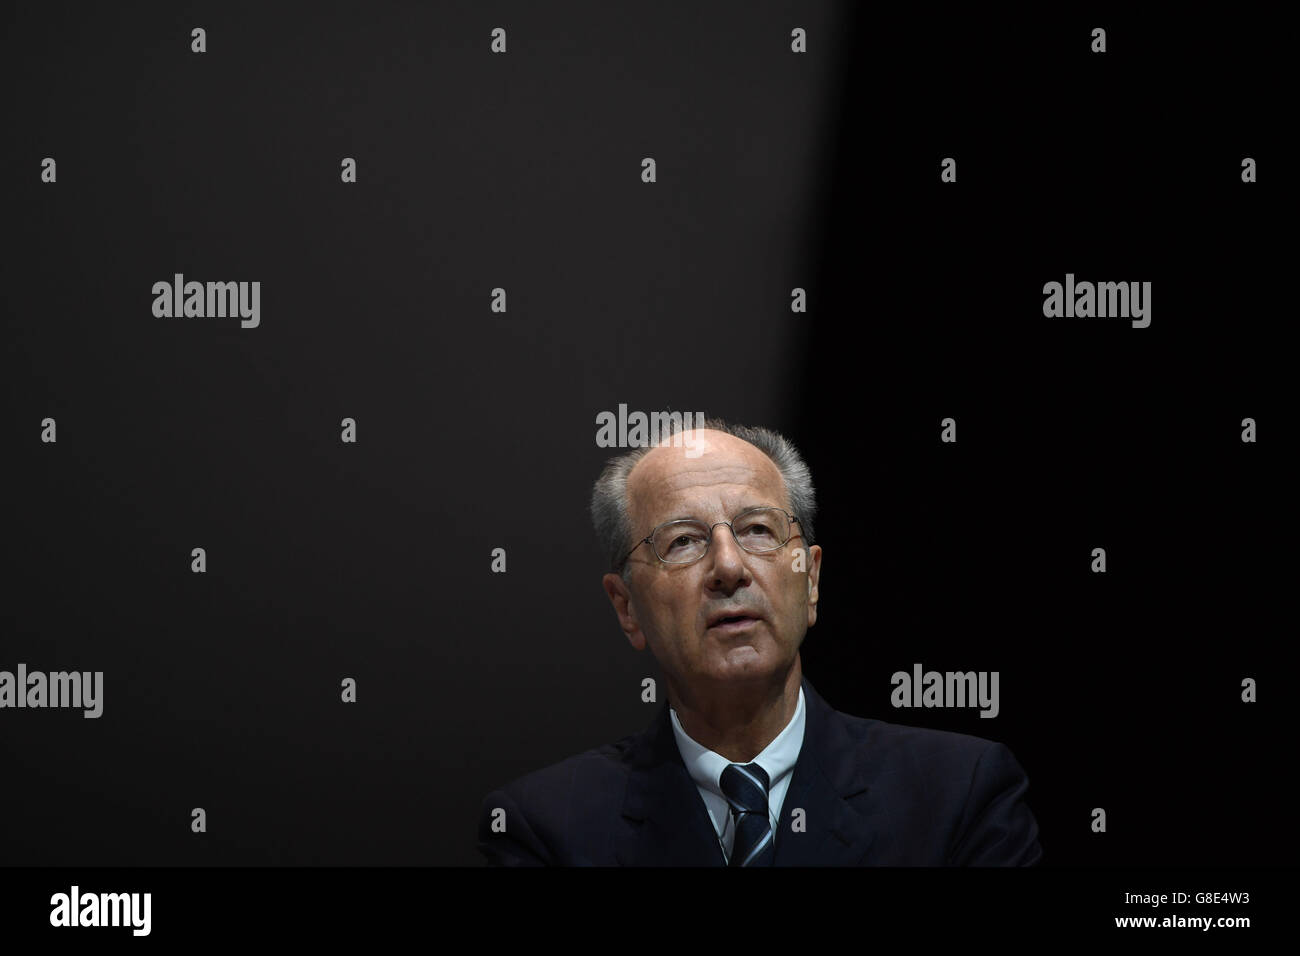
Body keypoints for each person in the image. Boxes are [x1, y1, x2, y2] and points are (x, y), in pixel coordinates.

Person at [477, 418, 1042, 865]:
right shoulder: (545, 827)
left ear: (811, 578)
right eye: (682, 542)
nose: (729, 567)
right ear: (627, 608)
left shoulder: (958, 795)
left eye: (757, 530)